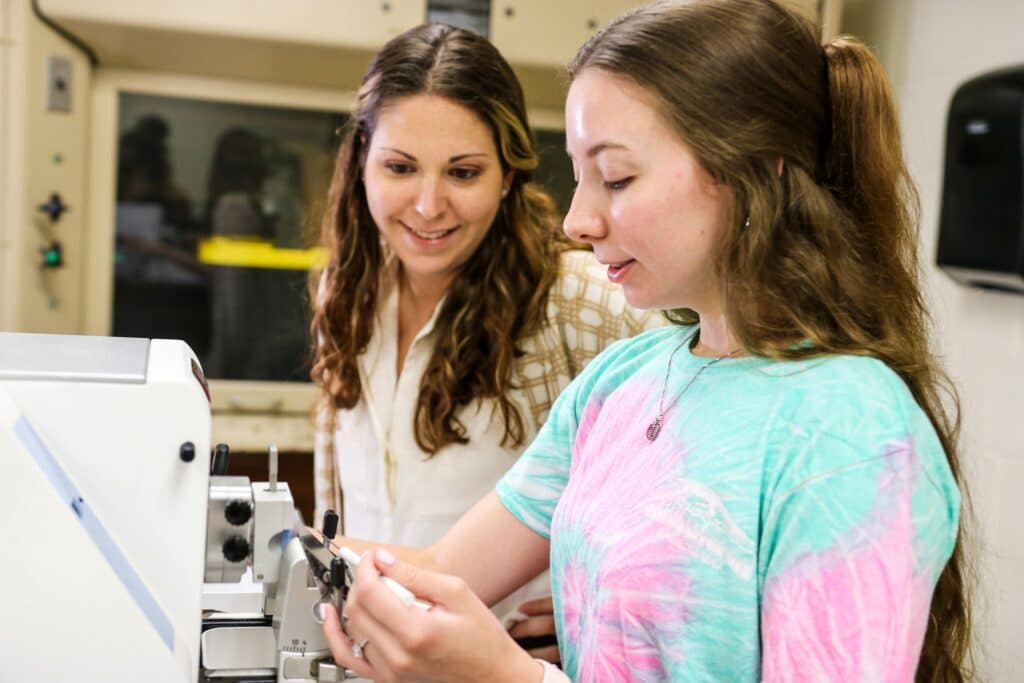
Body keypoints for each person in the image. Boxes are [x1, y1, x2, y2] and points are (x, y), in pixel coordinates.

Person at [316, 2, 972, 681]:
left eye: (618, 177)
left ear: (759, 169)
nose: (577, 220)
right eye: (578, 175)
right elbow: (441, 573)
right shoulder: (619, 381)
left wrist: (507, 676)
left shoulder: (849, 434)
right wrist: (271, 540)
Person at [308, 22, 661, 665]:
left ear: (508, 175)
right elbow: (338, 505)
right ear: (361, 160)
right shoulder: (344, 289)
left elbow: (697, 465)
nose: (428, 204)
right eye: (400, 167)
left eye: (463, 172)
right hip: (367, 660)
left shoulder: (577, 298)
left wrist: (608, 601)